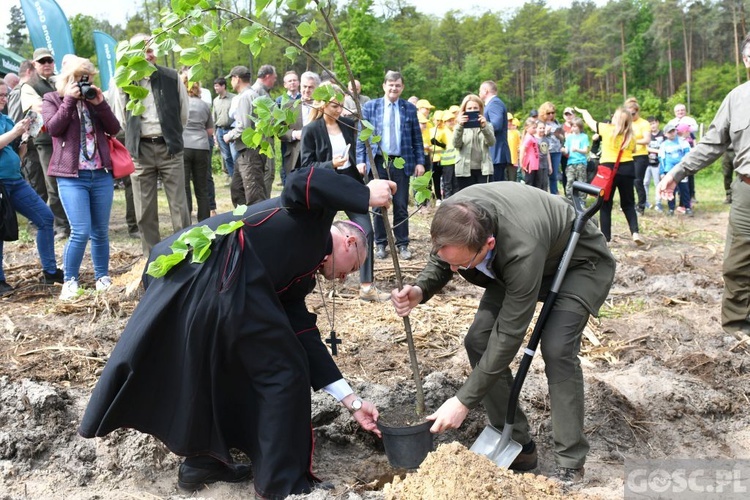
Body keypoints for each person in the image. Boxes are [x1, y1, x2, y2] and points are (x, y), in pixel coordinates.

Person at [78, 167, 395, 499]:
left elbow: (303, 332)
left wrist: (352, 401)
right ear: (348, 242)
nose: (346, 278)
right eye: (354, 267)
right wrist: (364, 194)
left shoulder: (302, 275)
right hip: (210, 280)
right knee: (284, 373)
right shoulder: (312, 217)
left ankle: (202, 462)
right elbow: (301, 180)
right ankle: (282, 485)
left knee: (229, 369)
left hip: (210, 291)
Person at [390, 182, 616, 485]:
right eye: (450, 263)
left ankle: (570, 459)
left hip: (578, 264)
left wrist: (464, 400)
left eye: (462, 265)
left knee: (557, 348)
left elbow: (510, 334)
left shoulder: (522, 247)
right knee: (478, 340)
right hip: (509, 265)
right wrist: (421, 288)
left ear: (489, 244)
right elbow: (443, 256)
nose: (454, 271)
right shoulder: (453, 215)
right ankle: (519, 444)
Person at [657, 33, 750, 338]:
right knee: (737, 264)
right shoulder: (736, 98)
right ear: (745, 60)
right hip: (746, 191)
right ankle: (738, 328)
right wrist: (676, 173)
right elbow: (711, 144)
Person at [41, 57, 121, 299]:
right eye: (79, 79)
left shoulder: (94, 100)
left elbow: (114, 128)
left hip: (100, 173)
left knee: (100, 231)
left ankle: (102, 277)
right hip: (71, 176)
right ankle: (70, 281)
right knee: (80, 230)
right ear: (67, 79)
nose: (83, 83)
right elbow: (53, 128)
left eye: (87, 78)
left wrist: (100, 103)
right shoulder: (52, 99)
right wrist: (69, 100)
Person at [300, 84, 387, 302]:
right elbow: (306, 166)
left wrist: (361, 163)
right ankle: (310, 277)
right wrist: (331, 164)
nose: (339, 110)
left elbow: (366, 137)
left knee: (366, 230)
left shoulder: (348, 124)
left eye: (341, 105)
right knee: (316, 232)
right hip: (326, 185)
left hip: (349, 182)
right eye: (334, 105)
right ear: (322, 104)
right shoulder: (311, 129)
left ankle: (367, 286)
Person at [112, 34, 191, 255]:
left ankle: (185, 252)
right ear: (133, 54)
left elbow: (184, 114)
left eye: (152, 49)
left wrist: (171, 135)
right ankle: (151, 256)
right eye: (145, 50)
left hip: (169, 148)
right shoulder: (124, 81)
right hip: (140, 151)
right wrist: (136, 138)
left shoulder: (171, 76)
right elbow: (121, 118)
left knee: (179, 206)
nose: (150, 54)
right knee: (144, 209)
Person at [0, 78, 63, 296]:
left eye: (4, 95)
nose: (3, 99)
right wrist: (15, 133)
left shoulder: (6, 119)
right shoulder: (10, 125)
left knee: (45, 218)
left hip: (15, 181)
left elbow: (17, 155)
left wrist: (25, 139)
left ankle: (50, 271)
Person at [356, 70, 425, 261]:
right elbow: (362, 137)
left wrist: (420, 161)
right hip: (378, 161)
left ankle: (402, 244)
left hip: (401, 162)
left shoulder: (409, 109)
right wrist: (361, 160)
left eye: (398, 85)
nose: (394, 88)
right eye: (391, 84)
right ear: (384, 86)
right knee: (379, 204)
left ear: (402, 88)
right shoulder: (371, 107)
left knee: (401, 204)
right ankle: (380, 244)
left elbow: (417, 139)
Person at [20, 48, 71, 239]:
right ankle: (61, 226)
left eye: (49, 60)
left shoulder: (60, 80)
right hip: (45, 141)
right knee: (53, 185)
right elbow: (39, 107)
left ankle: (73, 224)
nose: (47, 64)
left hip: (67, 138)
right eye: (42, 61)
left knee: (70, 182)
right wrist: (66, 103)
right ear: (34, 65)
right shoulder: (28, 85)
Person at [577, 107, 643, 246]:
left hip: (608, 169)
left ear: (616, 119)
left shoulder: (606, 129)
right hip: (627, 168)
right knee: (629, 203)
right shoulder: (630, 135)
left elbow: (590, 122)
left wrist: (584, 112)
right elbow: (634, 150)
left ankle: (606, 238)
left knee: (605, 204)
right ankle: (635, 232)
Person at [224, 65, 270, 206]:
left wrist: (229, 136)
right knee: (237, 189)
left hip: (250, 152)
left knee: (254, 194)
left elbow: (244, 127)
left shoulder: (245, 97)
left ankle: (258, 225)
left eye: (231, 78)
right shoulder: (253, 95)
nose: (230, 82)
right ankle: (243, 223)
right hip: (245, 152)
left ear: (237, 79)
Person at [180, 75, 214, 223]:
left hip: (184, 146)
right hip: (201, 147)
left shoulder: (180, 103)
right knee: (202, 187)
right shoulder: (205, 105)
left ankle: (187, 220)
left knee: (185, 186)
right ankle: (204, 220)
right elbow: (210, 130)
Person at [453, 94, 495, 191]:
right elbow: (456, 144)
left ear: (480, 109)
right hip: (464, 170)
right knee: (466, 201)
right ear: (464, 110)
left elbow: (491, 143)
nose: (472, 110)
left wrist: (484, 127)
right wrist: (460, 127)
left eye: (475, 108)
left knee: (484, 199)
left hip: (484, 170)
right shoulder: (459, 126)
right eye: (469, 108)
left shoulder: (487, 125)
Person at [479, 81, 512, 182]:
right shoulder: (492, 104)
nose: (479, 94)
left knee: (496, 190)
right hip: (495, 154)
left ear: (486, 91)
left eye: (480, 91)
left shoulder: (495, 103)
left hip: (496, 153)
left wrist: (482, 126)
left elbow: (496, 125)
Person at [624, 98, 651, 214]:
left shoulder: (644, 123)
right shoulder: (627, 123)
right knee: (627, 181)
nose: (631, 116)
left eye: (633, 114)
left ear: (637, 111)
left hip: (640, 155)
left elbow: (647, 140)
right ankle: (630, 204)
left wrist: (633, 140)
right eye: (628, 114)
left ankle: (641, 206)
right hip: (628, 155)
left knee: (637, 181)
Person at [658, 123, 692, 217]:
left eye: (673, 131)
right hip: (669, 170)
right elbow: (661, 159)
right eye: (670, 132)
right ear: (665, 134)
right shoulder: (663, 145)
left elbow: (688, 155)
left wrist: (687, 168)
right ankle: (671, 208)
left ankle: (687, 207)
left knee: (684, 189)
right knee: (670, 190)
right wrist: (662, 172)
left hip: (681, 170)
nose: (672, 133)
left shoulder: (683, 142)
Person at [537, 102, 565, 195]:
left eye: (553, 112)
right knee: (544, 173)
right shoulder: (540, 123)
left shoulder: (556, 122)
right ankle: (544, 193)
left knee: (554, 174)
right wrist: (546, 132)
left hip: (556, 150)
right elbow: (538, 136)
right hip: (545, 151)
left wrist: (559, 136)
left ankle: (554, 193)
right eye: (548, 113)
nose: (551, 115)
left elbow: (562, 137)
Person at [212, 77, 235, 180]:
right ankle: (233, 179)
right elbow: (214, 118)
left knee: (235, 156)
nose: (215, 88)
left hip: (232, 130)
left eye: (217, 86)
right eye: (214, 85)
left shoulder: (234, 98)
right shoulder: (215, 101)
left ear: (223, 86)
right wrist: (214, 135)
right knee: (227, 157)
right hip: (220, 131)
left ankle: (239, 179)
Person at [562, 117, 590, 201]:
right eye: (572, 126)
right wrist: (562, 150)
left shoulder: (584, 137)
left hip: (581, 162)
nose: (573, 128)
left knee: (581, 182)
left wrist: (577, 150)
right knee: (570, 181)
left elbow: (585, 150)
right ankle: (569, 199)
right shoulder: (569, 137)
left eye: (575, 126)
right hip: (571, 162)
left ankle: (582, 200)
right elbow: (567, 150)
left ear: (580, 127)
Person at [645, 116, 664, 212]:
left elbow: (665, 147)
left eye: (653, 123)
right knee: (645, 182)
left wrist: (660, 152)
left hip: (658, 163)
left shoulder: (663, 134)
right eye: (650, 124)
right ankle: (645, 201)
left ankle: (658, 202)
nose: (652, 126)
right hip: (647, 163)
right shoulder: (647, 135)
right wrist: (658, 150)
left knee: (658, 183)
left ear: (657, 123)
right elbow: (646, 148)